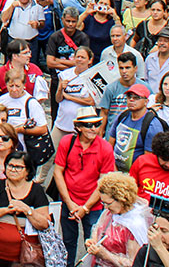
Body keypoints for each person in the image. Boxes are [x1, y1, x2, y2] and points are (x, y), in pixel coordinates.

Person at [54, 111, 116, 261]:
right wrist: (69, 203)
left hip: (93, 205)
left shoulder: (105, 148)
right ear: (79, 127)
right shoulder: (67, 142)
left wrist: (85, 208)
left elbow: (104, 182)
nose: (93, 128)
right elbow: (58, 172)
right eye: (89, 125)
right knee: (67, 243)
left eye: (96, 124)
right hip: (69, 201)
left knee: (93, 246)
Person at [0, 151, 49, 267]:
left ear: (28, 171)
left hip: (25, 260)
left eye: (19, 167)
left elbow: (44, 223)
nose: (13, 169)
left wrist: (26, 210)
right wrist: (6, 210)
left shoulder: (36, 191)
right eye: (10, 166)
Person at [83, 172, 150, 267]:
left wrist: (106, 255)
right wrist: (93, 241)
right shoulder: (109, 213)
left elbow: (134, 263)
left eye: (108, 203)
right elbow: (97, 231)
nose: (105, 207)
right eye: (103, 203)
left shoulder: (135, 225)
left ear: (122, 198)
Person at [107, 84, 168, 171]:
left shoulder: (152, 125)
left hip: (136, 175)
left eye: (136, 97)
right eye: (129, 96)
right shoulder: (122, 116)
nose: (131, 99)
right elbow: (110, 145)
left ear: (146, 102)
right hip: (114, 170)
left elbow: (148, 161)